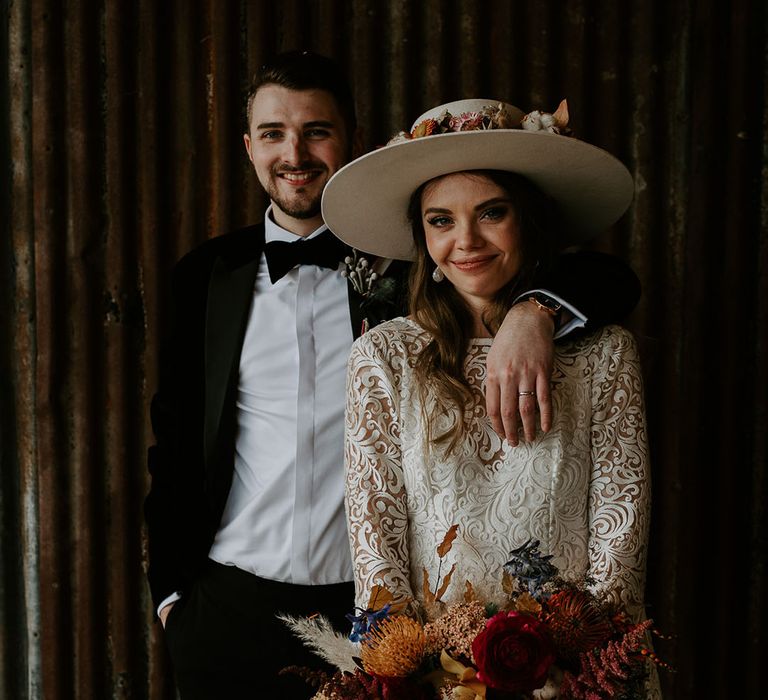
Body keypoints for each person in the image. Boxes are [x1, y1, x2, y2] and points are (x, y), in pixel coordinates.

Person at [144, 54, 642, 698]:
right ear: (249, 146)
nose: (294, 153)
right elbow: (175, 440)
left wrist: (533, 309)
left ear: (350, 140)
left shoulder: (409, 258)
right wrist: (174, 599)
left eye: (316, 130)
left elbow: (607, 278)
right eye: (272, 133)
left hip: (374, 613)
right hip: (226, 604)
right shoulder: (207, 274)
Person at [329, 99, 660, 694]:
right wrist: (410, 671)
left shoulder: (604, 353)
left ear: (528, 219)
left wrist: (580, 667)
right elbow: (376, 529)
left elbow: (621, 526)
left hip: (573, 670)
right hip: (434, 670)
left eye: (491, 213)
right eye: (440, 220)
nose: (466, 241)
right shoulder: (384, 356)